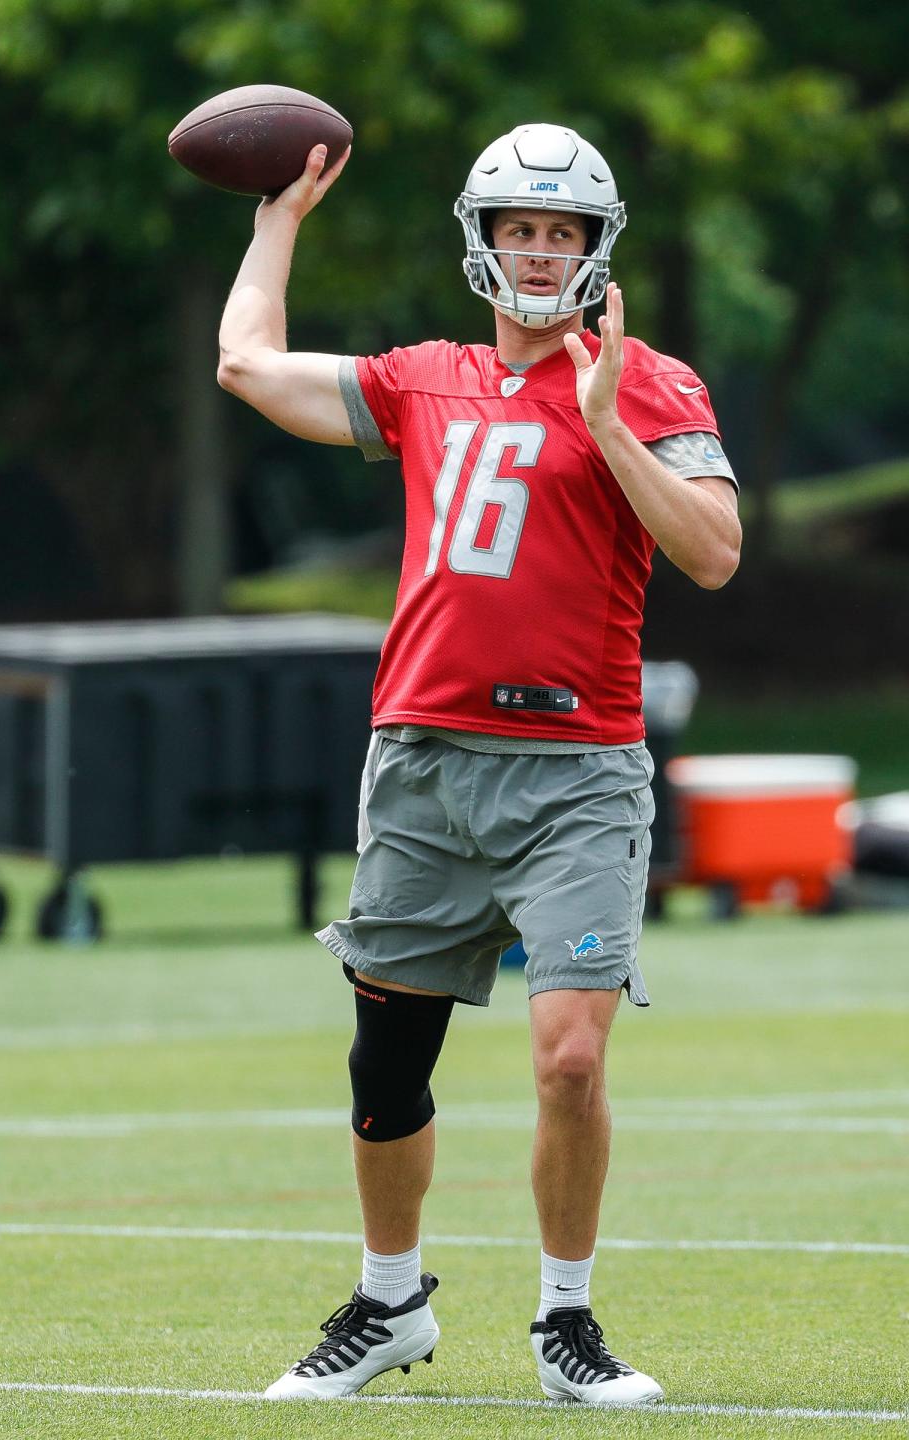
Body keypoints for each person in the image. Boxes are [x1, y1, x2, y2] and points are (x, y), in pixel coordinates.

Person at [218, 122, 741, 1406]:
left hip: (576, 769)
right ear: (484, 240)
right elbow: (247, 365)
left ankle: (566, 1324)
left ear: (596, 248)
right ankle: (388, 1303)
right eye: (522, 228)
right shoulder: (422, 377)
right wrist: (274, 217)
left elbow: (716, 553)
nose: (542, 251)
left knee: (570, 1057)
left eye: (564, 233)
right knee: (387, 1066)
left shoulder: (650, 381)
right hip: (426, 763)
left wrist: (609, 422)